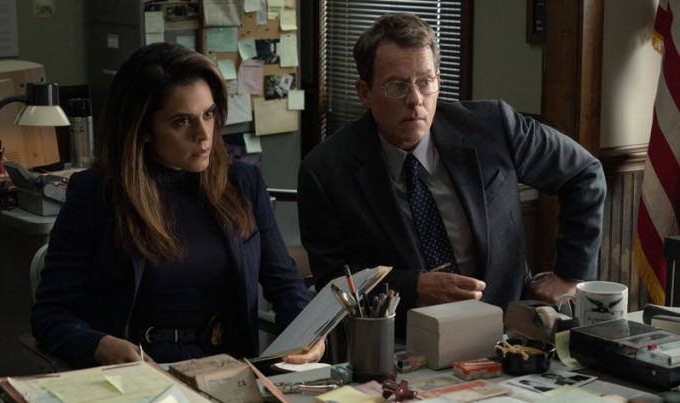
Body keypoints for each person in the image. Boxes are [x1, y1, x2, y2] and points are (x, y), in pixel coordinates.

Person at [297, 13, 606, 337]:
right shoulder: (326, 170)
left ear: (438, 81)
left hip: (508, 332)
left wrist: (570, 275)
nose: (415, 99)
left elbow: (584, 173)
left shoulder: (493, 126)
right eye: (397, 86)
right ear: (364, 93)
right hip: (403, 343)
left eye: (425, 82)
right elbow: (334, 283)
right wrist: (413, 287)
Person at [31, 42, 324, 368]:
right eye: (182, 121)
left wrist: (307, 332)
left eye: (208, 114)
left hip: (230, 368)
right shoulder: (96, 194)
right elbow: (50, 314)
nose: (203, 135)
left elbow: (285, 283)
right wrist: (99, 346)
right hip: (140, 374)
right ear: (142, 129)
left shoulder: (242, 182)